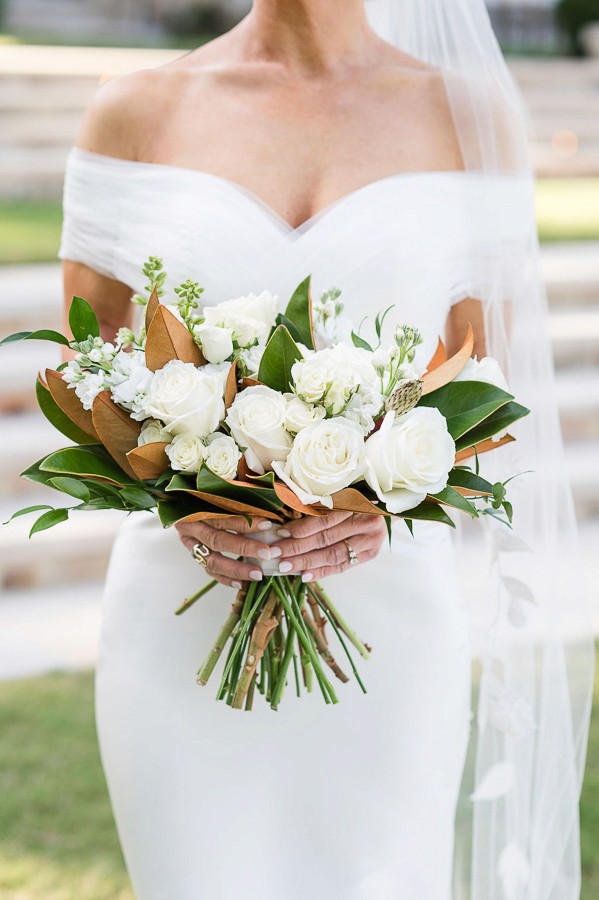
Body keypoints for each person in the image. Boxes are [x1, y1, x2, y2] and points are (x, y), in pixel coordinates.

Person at [58, 1, 592, 897]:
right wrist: (179, 496)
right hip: (180, 605)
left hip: (388, 616)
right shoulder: (135, 110)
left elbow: (486, 382)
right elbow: (88, 370)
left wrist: (385, 498)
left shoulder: (467, 118)